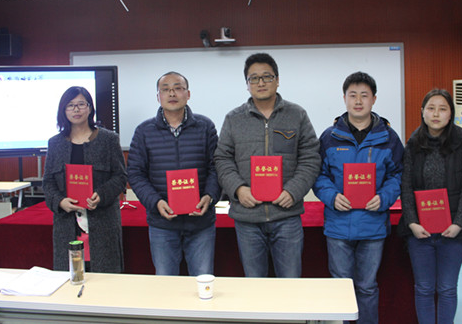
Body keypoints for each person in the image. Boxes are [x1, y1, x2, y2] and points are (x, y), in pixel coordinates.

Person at [214, 53, 321, 278]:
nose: (260, 82)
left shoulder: (297, 115)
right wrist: (238, 189)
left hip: (287, 216)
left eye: (267, 76)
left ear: (277, 80)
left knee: (290, 282)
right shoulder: (234, 119)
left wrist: (293, 191)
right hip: (248, 218)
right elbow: (222, 159)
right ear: (247, 84)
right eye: (254, 78)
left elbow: (310, 157)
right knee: (255, 285)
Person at [312, 71, 403, 324]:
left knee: (367, 287)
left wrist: (384, 197)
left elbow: (398, 174)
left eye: (364, 95)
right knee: (340, 288)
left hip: (373, 225)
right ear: (344, 98)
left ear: (374, 99)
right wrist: (332, 196)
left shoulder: (389, 138)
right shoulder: (329, 137)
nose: (358, 101)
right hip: (338, 226)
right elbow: (318, 175)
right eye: (353, 95)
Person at [400, 88, 462, 324]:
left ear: (450, 114)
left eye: (442, 109)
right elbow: (406, 187)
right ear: (422, 112)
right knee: (424, 288)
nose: (436, 114)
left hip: (453, 231)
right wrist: (412, 222)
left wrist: (459, 224)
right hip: (420, 231)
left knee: (447, 288)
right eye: (431, 108)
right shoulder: (413, 145)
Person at [127, 71, 220, 276]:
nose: (172, 93)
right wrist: (155, 202)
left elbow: (216, 167)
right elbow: (135, 173)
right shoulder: (144, 131)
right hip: (162, 223)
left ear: (188, 94)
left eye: (178, 88)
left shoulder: (205, 127)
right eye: (165, 89)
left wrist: (210, 196)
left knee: (203, 279)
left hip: (201, 223)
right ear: (158, 96)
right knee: (165, 283)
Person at [43, 86, 127, 272]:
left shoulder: (108, 140)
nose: (76, 109)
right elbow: (48, 182)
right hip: (67, 224)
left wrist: (101, 195)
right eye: (70, 105)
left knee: (106, 279)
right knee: (70, 278)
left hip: (102, 222)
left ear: (90, 108)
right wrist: (60, 202)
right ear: (63, 110)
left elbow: (120, 176)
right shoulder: (55, 143)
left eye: (81, 104)